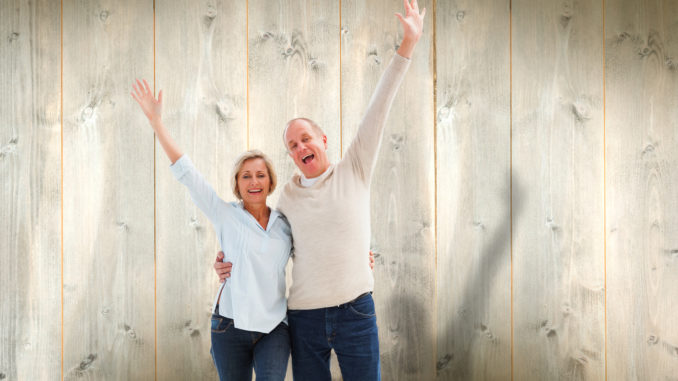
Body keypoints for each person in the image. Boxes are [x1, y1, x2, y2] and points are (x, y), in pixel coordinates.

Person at [215, 1, 425, 379]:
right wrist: (227, 260)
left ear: (323, 140)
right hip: (304, 318)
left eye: (305, 139)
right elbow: (264, 243)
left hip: (356, 310)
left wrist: (407, 44)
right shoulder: (287, 198)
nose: (300, 148)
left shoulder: (355, 168)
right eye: (292, 146)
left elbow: (380, 105)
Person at [131, 80, 291, 380]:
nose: (254, 181)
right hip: (229, 326)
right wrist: (157, 123)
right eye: (246, 176)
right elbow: (187, 173)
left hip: (274, 328)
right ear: (237, 184)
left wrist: (359, 258)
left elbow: (318, 245)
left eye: (260, 175)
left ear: (270, 181)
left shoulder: (285, 222)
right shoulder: (225, 214)